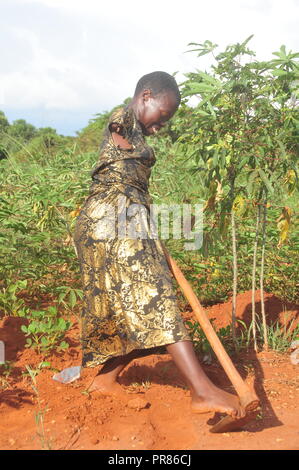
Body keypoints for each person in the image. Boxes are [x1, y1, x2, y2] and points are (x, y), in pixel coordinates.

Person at [73, 71, 245, 418]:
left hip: (125, 218)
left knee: (139, 305)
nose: (160, 127)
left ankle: (105, 381)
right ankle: (202, 391)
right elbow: (118, 129)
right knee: (155, 298)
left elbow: (134, 187)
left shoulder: (137, 130)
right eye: (162, 116)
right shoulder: (122, 121)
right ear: (145, 96)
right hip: (109, 217)